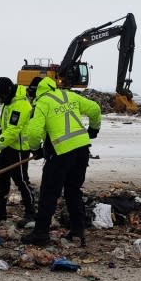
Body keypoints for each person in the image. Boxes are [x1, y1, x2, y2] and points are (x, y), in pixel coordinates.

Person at [21, 77, 101, 247]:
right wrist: (93, 129)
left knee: (49, 193)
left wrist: (35, 149)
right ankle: (78, 233)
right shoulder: (69, 95)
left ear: (37, 91)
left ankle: (41, 234)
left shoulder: (42, 103)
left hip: (61, 153)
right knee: (73, 191)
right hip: (82, 150)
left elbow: (34, 132)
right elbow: (94, 108)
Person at [0, 77, 35, 223]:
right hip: (8, 147)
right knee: (1, 175)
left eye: (3, 96)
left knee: (21, 180)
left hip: (19, 149)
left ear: (9, 91)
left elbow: (13, 131)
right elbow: (4, 120)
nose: (1, 99)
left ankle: (31, 212)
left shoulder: (21, 105)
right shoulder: (8, 103)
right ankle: (0, 210)